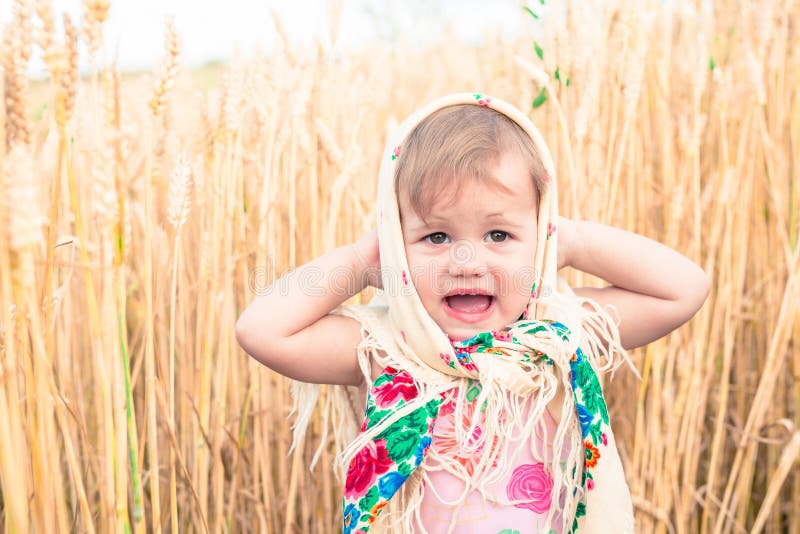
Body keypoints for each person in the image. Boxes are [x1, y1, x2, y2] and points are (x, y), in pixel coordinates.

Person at [235, 93, 711, 533]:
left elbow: (684, 289)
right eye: (436, 237)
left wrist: (571, 242)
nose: (467, 263)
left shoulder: (557, 339)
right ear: (398, 246)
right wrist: (363, 261)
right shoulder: (391, 351)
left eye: (498, 236)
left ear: (539, 236)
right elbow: (262, 331)